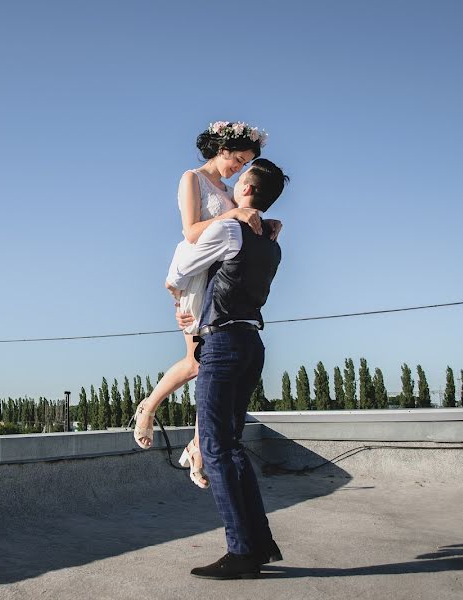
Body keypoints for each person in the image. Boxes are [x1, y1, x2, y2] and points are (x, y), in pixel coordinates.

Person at [131, 121, 281, 491]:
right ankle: (149, 408)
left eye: (245, 164)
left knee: (207, 365)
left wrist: (262, 219)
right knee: (199, 362)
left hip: (216, 282)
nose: (239, 167)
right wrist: (234, 214)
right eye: (239, 159)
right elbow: (192, 232)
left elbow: (231, 237)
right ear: (222, 149)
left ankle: (197, 449)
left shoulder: (231, 192)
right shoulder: (192, 178)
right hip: (195, 277)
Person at [165, 158, 289, 580]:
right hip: (252, 341)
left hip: (221, 343)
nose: (232, 186)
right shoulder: (273, 242)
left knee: (216, 449)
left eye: (240, 183)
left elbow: (180, 270)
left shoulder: (230, 228)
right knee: (231, 447)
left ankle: (241, 551)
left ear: (249, 193)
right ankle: (259, 543)